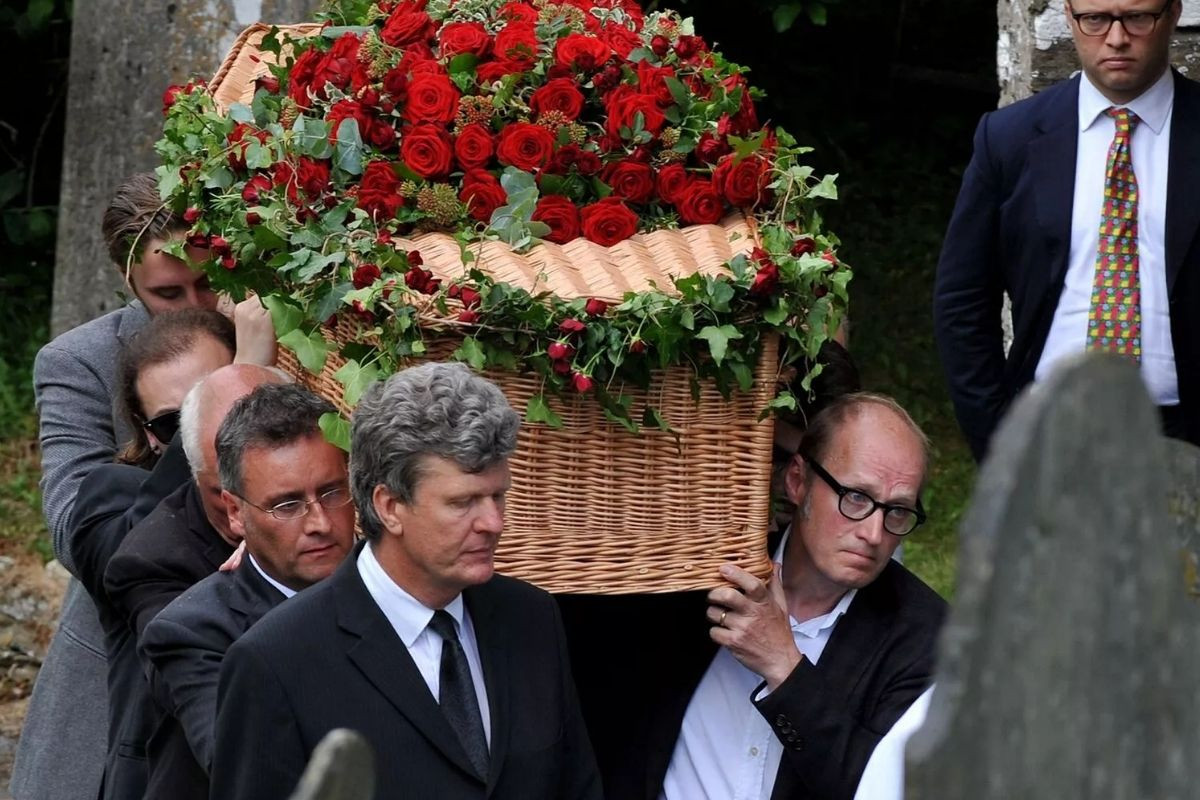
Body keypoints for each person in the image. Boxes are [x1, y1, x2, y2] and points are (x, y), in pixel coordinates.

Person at [210, 362, 602, 800]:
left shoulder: (531, 618)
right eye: (463, 502)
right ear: (389, 506)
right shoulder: (276, 663)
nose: (493, 522)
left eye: (498, 496)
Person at [12, 173, 275, 800]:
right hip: (121, 673)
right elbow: (78, 537)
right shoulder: (80, 361)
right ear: (126, 281)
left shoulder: (278, 327)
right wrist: (237, 382)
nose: (196, 304)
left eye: (209, 281)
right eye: (167, 292)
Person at [624, 393, 946, 800]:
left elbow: (889, 786)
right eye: (856, 497)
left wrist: (784, 667)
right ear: (797, 482)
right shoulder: (702, 569)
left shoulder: (930, 640)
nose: (874, 534)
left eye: (897, 510)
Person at [932, 0, 1198, 462]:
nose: (1117, 38)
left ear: (1173, 14)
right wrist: (996, 439)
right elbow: (963, 298)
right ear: (1071, 17)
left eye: (1138, 17)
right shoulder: (1009, 137)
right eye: (1095, 19)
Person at [137, 383, 356, 800]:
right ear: (236, 512)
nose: (320, 523)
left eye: (332, 492)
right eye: (287, 506)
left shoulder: (399, 585)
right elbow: (245, 768)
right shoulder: (194, 632)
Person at [92, 364, 285, 799]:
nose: (242, 516)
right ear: (195, 475)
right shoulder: (152, 559)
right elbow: (215, 711)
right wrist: (271, 568)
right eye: (226, 494)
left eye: (281, 498)